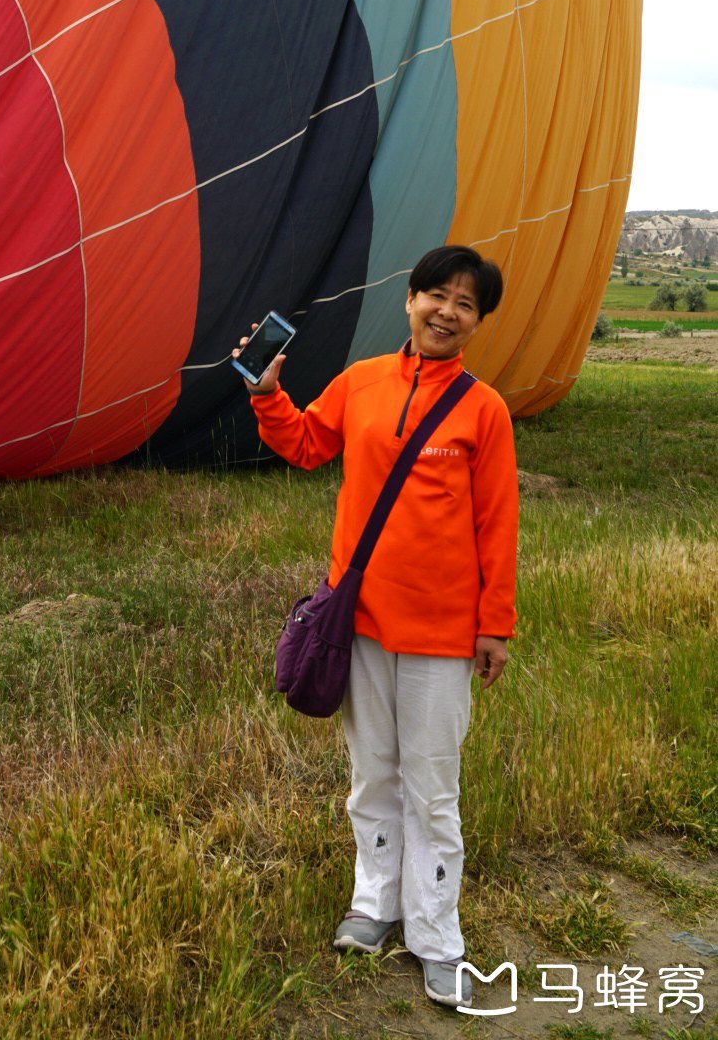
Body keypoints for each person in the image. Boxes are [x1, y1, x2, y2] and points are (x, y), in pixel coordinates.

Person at [233, 246, 518, 1009]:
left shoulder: (482, 408)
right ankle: (374, 905)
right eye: (436, 295)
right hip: (358, 622)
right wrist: (267, 393)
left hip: (442, 632)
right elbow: (303, 445)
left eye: (465, 303)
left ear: (478, 322)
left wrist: (494, 625)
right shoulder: (361, 384)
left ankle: (437, 938)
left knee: (432, 788)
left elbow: (497, 523)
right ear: (410, 300)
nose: (446, 312)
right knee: (373, 775)